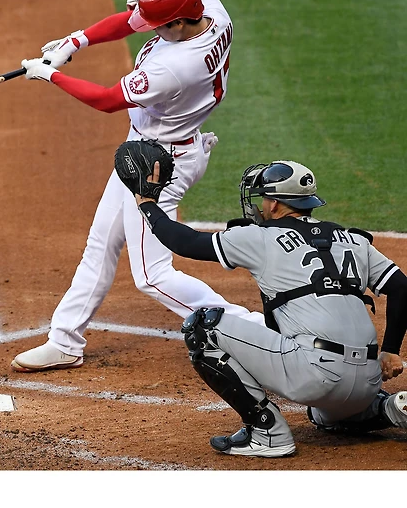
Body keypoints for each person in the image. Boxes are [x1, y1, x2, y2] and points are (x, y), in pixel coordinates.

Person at [12, 0, 264, 373]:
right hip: (147, 150)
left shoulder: (175, 67)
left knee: (152, 274)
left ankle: (252, 330)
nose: (148, 29)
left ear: (178, 23)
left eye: (158, 25)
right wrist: (74, 42)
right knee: (101, 244)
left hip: (160, 165)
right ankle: (64, 341)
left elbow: (108, 100)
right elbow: (130, 21)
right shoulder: (210, 8)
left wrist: (50, 75)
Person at [131, 153, 407, 457]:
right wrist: (391, 350)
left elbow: (186, 243)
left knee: (202, 329)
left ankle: (267, 433)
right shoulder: (353, 240)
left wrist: (147, 204)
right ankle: (386, 408)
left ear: (275, 204)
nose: (261, 205)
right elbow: (401, 288)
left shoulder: (261, 237)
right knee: (323, 414)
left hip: (315, 377)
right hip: (368, 381)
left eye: (263, 198)